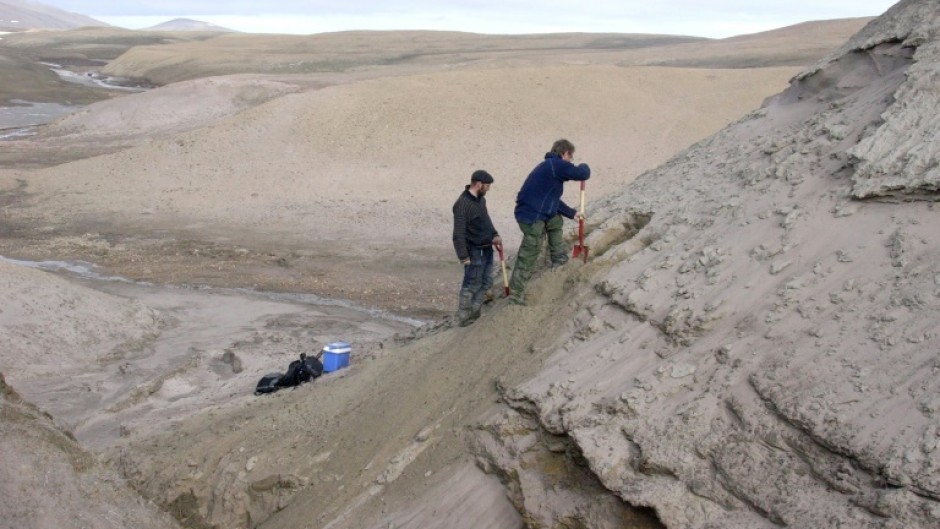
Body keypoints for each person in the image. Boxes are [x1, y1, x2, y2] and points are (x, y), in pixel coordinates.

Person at [508, 139, 590, 305]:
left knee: (555, 222)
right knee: (530, 251)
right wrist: (584, 165)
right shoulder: (555, 164)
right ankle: (516, 295)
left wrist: (572, 213)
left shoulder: (549, 168)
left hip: (538, 211)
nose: (570, 161)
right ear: (565, 153)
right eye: (570, 157)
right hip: (531, 216)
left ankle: (559, 258)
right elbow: (582, 173)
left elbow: (552, 201)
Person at [452, 169, 501, 326]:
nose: (488, 189)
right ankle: (464, 319)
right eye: (487, 186)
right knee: (471, 285)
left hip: (487, 248)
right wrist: (463, 257)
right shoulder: (462, 204)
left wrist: (495, 234)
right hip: (474, 251)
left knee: (486, 282)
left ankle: (474, 314)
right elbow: (458, 232)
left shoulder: (481, 200)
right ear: (478, 184)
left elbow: (486, 220)